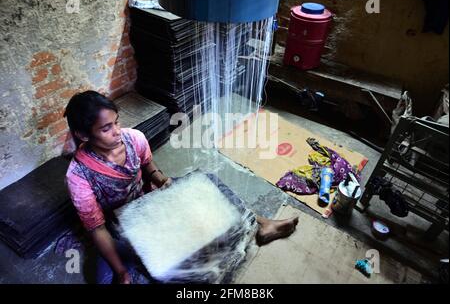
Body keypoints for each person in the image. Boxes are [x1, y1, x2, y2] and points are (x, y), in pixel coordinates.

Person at [64, 90, 299, 284]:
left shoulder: (133, 137)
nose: (116, 132)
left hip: (149, 199)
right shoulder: (78, 175)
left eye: (116, 122)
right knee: (108, 276)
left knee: (206, 183)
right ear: (83, 135)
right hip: (123, 221)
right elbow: (97, 228)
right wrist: (121, 273)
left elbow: (149, 167)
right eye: (106, 129)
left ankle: (263, 223)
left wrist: (163, 182)